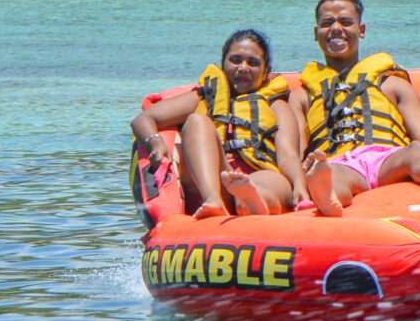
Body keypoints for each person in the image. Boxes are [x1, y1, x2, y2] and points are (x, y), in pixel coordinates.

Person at [298, 0, 420, 215]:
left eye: (346, 22)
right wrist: (300, 185)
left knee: (416, 152)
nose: (336, 29)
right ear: (316, 32)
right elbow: (297, 152)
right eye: (327, 23)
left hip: (388, 159)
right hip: (341, 162)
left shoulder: (392, 85)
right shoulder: (304, 96)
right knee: (330, 174)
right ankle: (328, 197)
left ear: (361, 30)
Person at [129, 28, 308, 217]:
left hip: (261, 172)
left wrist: (299, 184)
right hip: (218, 174)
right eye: (235, 60)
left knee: (260, 185)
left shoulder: (276, 106)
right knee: (196, 121)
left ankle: (251, 201)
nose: (243, 67)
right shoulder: (204, 98)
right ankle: (213, 200)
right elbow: (143, 120)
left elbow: (288, 155)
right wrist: (155, 142)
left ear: (266, 72)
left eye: (253, 63)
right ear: (223, 65)